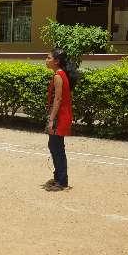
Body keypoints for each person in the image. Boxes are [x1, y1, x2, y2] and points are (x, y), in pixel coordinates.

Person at [44, 49, 76, 192]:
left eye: (49, 57)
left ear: (56, 61)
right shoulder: (61, 74)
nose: (46, 59)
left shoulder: (58, 75)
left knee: (56, 148)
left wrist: (51, 119)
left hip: (59, 116)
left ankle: (61, 181)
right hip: (61, 115)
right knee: (55, 146)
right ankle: (58, 177)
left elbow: (58, 99)